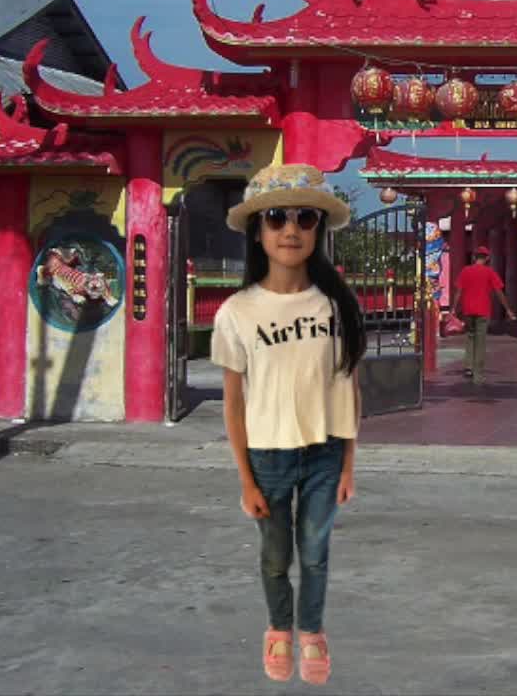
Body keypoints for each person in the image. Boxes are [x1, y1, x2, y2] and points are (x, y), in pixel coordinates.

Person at [211, 163, 364, 685]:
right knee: (276, 556)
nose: (291, 230)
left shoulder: (335, 306)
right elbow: (233, 403)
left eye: (305, 218)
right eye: (276, 217)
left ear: (318, 230)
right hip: (267, 455)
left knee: (315, 554)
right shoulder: (237, 312)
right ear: (258, 231)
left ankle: (312, 632)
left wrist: (348, 464)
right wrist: (245, 480)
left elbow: (348, 388)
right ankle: (278, 628)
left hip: (325, 452)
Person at [449, 245, 516, 385]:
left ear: (474, 257)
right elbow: (499, 292)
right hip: (483, 310)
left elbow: (458, 291)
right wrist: (508, 309)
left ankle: (468, 367)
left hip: (468, 310)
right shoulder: (489, 272)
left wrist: (453, 308)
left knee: (470, 337)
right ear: (487, 258)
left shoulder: (466, 271)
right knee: (480, 342)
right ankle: (477, 375)